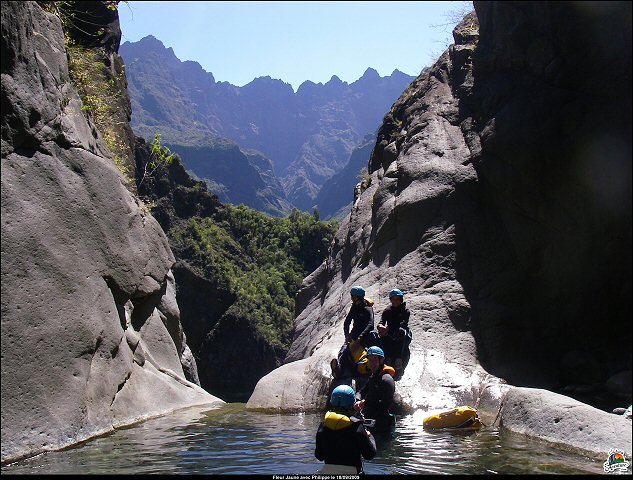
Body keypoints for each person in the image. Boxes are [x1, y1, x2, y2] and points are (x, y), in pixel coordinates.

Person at [315, 384, 377, 474]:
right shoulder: (357, 427)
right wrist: (370, 436)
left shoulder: (323, 425)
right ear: (352, 403)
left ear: (332, 402)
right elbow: (369, 455)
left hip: (328, 471)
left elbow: (319, 456)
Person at [331, 286, 375, 383]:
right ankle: (339, 369)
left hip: (365, 336)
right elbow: (347, 322)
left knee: (363, 353)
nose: (352, 299)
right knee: (344, 350)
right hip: (354, 335)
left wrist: (359, 339)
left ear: (358, 297)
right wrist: (347, 335)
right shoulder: (354, 307)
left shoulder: (368, 308)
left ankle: (362, 369)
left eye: (353, 297)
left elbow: (370, 325)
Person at [353, 346, 396, 435]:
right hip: (371, 418)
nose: (371, 363)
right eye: (370, 360)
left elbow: (385, 404)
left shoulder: (386, 380)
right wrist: (357, 401)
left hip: (384, 422)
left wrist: (365, 403)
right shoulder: (374, 376)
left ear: (381, 360)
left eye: (374, 360)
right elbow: (362, 391)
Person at [377, 288, 412, 376]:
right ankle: (386, 357)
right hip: (389, 333)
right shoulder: (387, 311)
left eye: (397, 299)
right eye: (393, 299)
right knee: (379, 335)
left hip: (401, 334)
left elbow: (403, 324)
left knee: (401, 331)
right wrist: (380, 327)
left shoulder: (405, 311)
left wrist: (388, 328)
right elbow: (381, 322)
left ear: (401, 300)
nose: (395, 301)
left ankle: (398, 358)